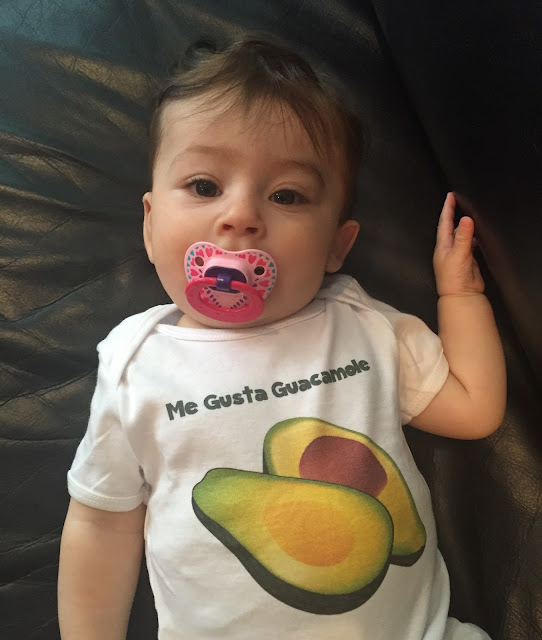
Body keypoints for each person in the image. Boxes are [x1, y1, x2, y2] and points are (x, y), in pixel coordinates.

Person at [57, 35, 506, 640]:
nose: (241, 216)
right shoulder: (136, 363)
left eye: (286, 195)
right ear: (150, 224)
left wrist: (461, 295)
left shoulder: (362, 324)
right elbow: (101, 523)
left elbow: (475, 408)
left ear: (336, 247)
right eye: (204, 186)